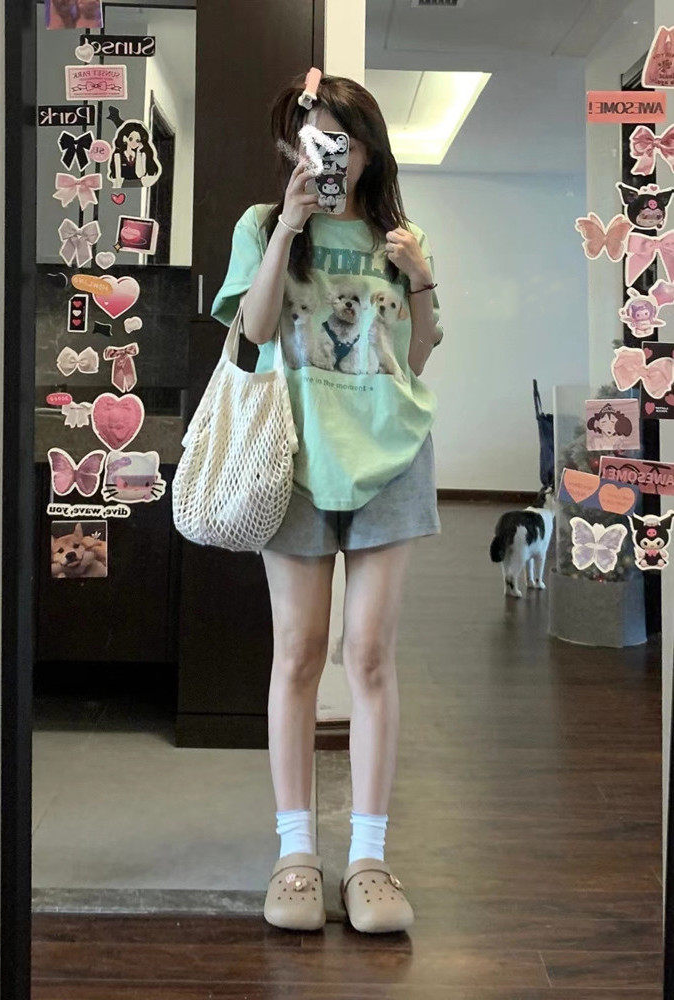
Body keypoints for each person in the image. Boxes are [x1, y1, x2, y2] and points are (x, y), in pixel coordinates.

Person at [210, 73, 444, 934]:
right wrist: (289, 225)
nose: (330, 152)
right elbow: (253, 331)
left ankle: (370, 860)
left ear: (370, 148)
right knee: (299, 654)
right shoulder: (263, 225)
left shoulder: (400, 237)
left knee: (371, 656)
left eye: (343, 137)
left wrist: (421, 279)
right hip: (296, 460)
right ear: (297, 146)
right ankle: (296, 854)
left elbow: (416, 359)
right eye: (315, 136)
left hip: (393, 459)